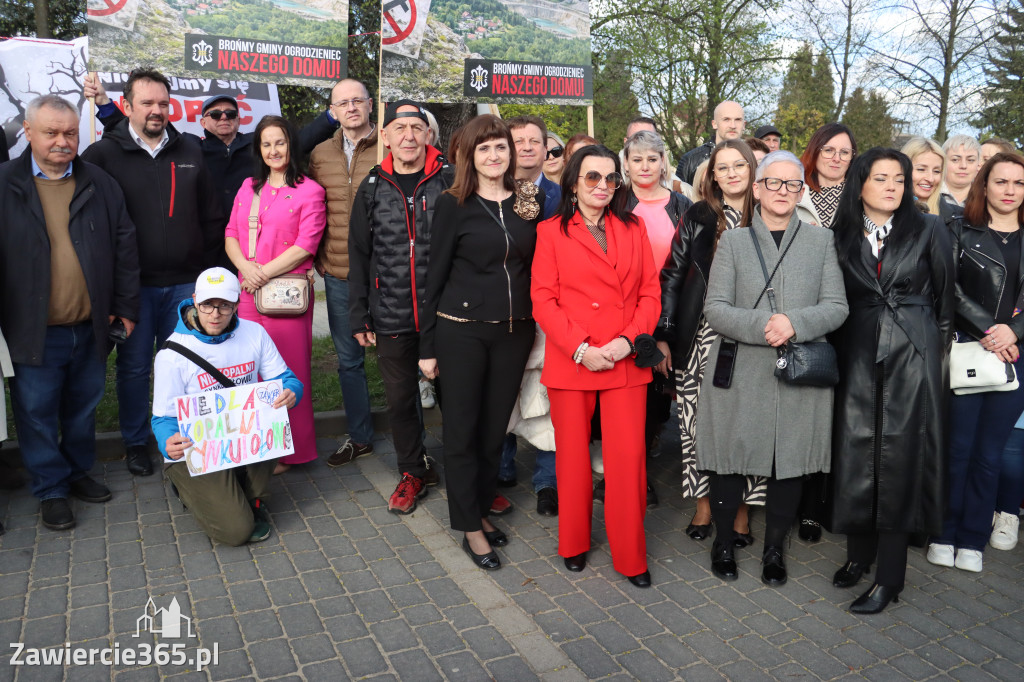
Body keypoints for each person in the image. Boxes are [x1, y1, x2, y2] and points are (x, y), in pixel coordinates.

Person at [696, 150, 848, 587]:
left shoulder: (821, 241)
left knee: (791, 461)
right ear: (758, 189)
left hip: (799, 370)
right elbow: (715, 309)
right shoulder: (735, 241)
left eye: (792, 184)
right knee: (728, 459)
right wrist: (766, 326)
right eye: (773, 182)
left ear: (801, 192)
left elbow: (837, 306)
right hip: (741, 368)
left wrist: (795, 323)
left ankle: (774, 549)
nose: (783, 191)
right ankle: (724, 543)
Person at [0, 94, 140, 530]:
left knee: (82, 408)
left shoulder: (100, 182)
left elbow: (124, 246)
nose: (62, 141)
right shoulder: (4, 184)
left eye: (70, 133)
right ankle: (51, 489)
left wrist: (124, 307)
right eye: (51, 132)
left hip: (90, 324)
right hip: (32, 329)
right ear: (28, 132)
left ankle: (78, 472)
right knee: (36, 413)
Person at [80, 68, 223, 478]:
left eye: (163, 103)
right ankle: (136, 441)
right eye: (147, 103)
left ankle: (186, 436)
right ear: (127, 106)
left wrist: (206, 274)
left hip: (185, 284)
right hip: (134, 288)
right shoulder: (102, 155)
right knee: (135, 368)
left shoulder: (190, 149)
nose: (156, 110)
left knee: (187, 365)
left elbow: (211, 215)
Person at [829, 148, 954, 614]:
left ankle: (890, 579)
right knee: (857, 455)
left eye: (899, 179)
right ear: (859, 183)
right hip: (858, 354)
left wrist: (931, 358)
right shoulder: (840, 233)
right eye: (881, 178)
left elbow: (945, 303)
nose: (892, 187)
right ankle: (859, 556)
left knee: (901, 461)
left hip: (913, 357)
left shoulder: (930, 228)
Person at [531, 145, 661, 587]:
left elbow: (650, 293)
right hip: (574, 359)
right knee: (572, 459)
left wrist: (627, 342)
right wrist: (581, 349)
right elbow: (543, 299)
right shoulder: (551, 231)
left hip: (624, 358)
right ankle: (574, 543)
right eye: (592, 177)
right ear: (573, 182)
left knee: (628, 461)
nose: (602, 185)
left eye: (610, 178)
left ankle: (631, 556)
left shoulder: (634, 227)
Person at [418, 115, 543, 570]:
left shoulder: (529, 199)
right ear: (468, 156)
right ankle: (470, 527)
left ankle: (482, 507)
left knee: (494, 431)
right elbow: (433, 276)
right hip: (461, 332)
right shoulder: (453, 203)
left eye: (501, 147)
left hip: (514, 332)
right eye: (484, 148)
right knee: (462, 432)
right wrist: (426, 347)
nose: (494, 155)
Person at [657, 140, 764, 546]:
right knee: (695, 423)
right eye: (724, 167)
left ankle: (741, 510)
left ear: (752, 169)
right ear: (713, 176)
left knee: (747, 425)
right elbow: (672, 274)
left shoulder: (767, 213)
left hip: (752, 337)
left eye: (740, 165)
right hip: (700, 335)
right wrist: (666, 333)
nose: (732, 173)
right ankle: (703, 504)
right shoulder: (698, 216)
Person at [349, 100, 453, 513]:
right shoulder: (372, 186)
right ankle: (413, 471)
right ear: (386, 136)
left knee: (456, 400)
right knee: (400, 401)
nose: (408, 135)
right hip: (391, 313)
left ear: (428, 134)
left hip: (445, 315)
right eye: (400, 128)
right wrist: (359, 312)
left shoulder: (451, 179)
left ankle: (468, 474)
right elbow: (359, 253)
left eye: (416, 127)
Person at [152, 268, 303, 545]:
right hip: (196, 448)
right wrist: (166, 441)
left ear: (236, 304)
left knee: (272, 417)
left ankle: (253, 497)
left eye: (224, 305)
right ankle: (186, 485)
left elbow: (286, 379)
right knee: (236, 533)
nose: (215, 314)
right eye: (207, 304)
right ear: (195, 300)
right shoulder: (171, 354)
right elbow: (162, 419)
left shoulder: (254, 332)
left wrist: (291, 392)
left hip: (241, 436)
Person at [930, 152, 1024, 574]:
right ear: (984, 186)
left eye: (1018, 183)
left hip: (1016, 357)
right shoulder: (959, 228)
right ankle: (943, 533)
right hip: (969, 348)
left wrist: (1013, 332)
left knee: (989, 454)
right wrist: (990, 329)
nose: (1010, 190)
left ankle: (971, 539)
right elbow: (947, 287)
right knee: (958, 448)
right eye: (1001, 181)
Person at [84, 74, 339, 219]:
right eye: (215, 114)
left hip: (253, 233)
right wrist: (104, 104)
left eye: (230, 113)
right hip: (206, 241)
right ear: (203, 122)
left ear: (239, 119)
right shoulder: (188, 145)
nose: (224, 118)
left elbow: (299, 141)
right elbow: (137, 127)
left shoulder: (257, 144)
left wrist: (331, 116)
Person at [224, 115, 325, 473]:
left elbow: (305, 245)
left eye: (280, 142)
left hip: (286, 296)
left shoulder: (310, 191)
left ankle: (292, 452)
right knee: (251, 372)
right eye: (266, 144)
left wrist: (262, 273)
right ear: (259, 149)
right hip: (249, 293)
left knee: (288, 372)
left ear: (291, 145)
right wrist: (246, 270)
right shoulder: (249, 187)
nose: (273, 150)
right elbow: (231, 234)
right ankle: (260, 446)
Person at [615, 129, 694, 507]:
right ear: (626, 164)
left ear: (664, 162)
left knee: (666, 397)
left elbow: (689, 268)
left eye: (652, 158)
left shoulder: (682, 204)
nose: (645, 166)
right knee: (634, 402)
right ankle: (631, 476)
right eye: (637, 159)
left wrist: (667, 329)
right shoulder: (616, 202)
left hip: (674, 312)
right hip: (627, 315)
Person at [309, 79, 378, 468]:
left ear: (370, 104)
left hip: (386, 276)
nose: (351, 108)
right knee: (349, 361)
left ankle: (414, 445)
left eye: (357, 101)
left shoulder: (389, 147)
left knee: (398, 362)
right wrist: (317, 257)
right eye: (342, 103)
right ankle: (360, 436)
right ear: (332, 111)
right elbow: (313, 207)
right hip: (338, 275)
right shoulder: (320, 153)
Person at [500, 116, 561, 514]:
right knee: (502, 389)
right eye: (517, 140)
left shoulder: (562, 196)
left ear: (545, 149)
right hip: (504, 308)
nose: (525, 147)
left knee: (547, 394)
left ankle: (547, 480)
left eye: (534, 141)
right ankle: (501, 466)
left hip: (550, 311)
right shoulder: (489, 192)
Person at [795, 123, 857, 229]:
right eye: (829, 150)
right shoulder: (792, 192)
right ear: (814, 152)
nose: (836, 159)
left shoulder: (862, 197)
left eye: (844, 152)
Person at [676, 101, 746, 185]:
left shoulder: (753, 157)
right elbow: (680, 192)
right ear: (714, 124)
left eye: (738, 120)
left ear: (744, 125)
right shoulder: (690, 160)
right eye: (726, 119)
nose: (733, 125)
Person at [508, 115, 560, 219]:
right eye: (519, 141)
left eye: (534, 141)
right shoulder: (491, 196)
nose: (527, 148)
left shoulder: (564, 197)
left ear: (545, 151)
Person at [939, 134, 982, 221]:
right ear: (943, 163)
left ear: (978, 165)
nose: (963, 166)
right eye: (955, 160)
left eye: (970, 160)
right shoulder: (928, 194)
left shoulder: (986, 200)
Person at [900, 137, 945, 215]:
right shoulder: (884, 212)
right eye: (921, 169)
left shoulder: (957, 217)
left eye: (936, 171)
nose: (930, 179)